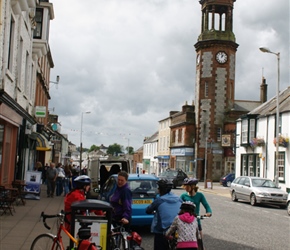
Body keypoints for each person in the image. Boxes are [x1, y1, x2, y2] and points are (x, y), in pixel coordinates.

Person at [146, 179, 182, 250]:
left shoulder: (159, 200)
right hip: (177, 229)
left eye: (158, 188)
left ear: (161, 190)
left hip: (162, 231)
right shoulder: (179, 199)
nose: (158, 189)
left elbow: (148, 210)